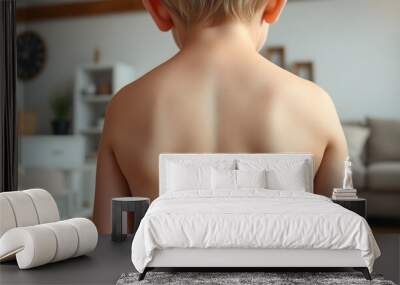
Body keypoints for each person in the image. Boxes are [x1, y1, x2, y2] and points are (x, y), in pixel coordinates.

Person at [93, 0, 348, 233]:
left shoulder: (124, 107)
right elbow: (341, 238)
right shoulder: (317, 105)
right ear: (274, 5)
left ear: (157, 9)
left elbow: (108, 246)